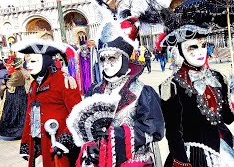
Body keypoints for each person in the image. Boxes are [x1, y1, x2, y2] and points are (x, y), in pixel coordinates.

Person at [66, 17, 164, 167]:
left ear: (124, 59)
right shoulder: (95, 91)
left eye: (112, 58)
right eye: (103, 59)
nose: (106, 64)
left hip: (134, 160)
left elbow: (154, 130)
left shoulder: (142, 92)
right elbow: (85, 127)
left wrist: (114, 136)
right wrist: (90, 144)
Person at [159, 25, 234, 167]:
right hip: (193, 155)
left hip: (226, 148)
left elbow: (228, 119)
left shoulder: (217, 77)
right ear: (180, 50)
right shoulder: (173, 86)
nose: (200, 52)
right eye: (192, 47)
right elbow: (173, 132)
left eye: (203, 45)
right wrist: (181, 160)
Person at [11, 39, 82, 167]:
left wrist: (65, 139)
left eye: (33, 61)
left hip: (59, 144)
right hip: (39, 143)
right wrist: (26, 143)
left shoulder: (62, 80)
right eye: (27, 62)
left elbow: (78, 112)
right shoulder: (33, 85)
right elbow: (29, 114)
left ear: (46, 60)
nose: (28, 66)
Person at [0, 57, 27, 138]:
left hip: (14, 96)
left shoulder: (16, 74)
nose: (8, 67)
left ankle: (16, 132)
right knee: (20, 114)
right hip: (21, 94)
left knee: (13, 114)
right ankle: (20, 132)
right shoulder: (21, 72)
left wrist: (2, 85)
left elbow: (8, 85)